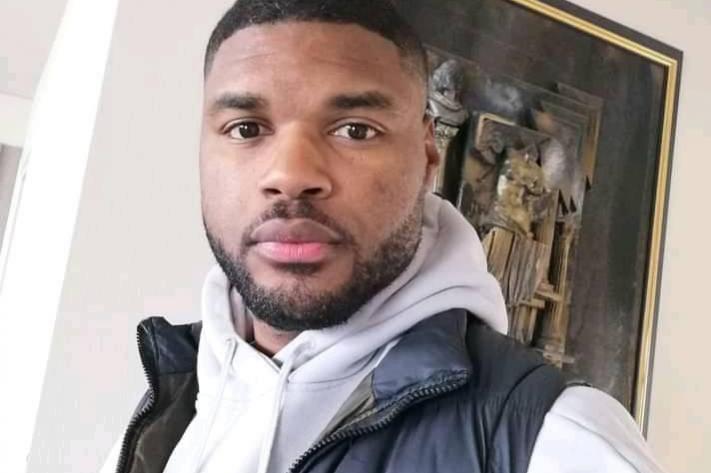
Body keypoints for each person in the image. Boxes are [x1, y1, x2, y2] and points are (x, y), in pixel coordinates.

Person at [103, 1, 666, 472]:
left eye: (355, 130)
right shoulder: (169, 402)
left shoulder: (551, 438)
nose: (291, 174)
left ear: (427, 156)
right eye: (246, 128)